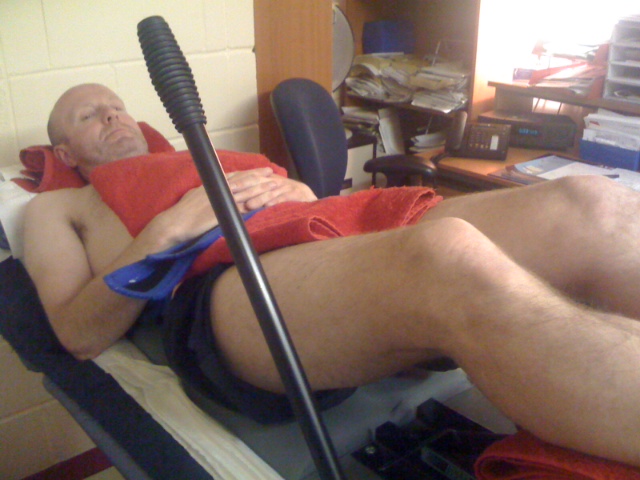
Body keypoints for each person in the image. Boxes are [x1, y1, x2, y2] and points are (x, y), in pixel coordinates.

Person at [23, 83, 640, 468]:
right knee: (447, 258)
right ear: (65, 153)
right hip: (223, 286)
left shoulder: (198, 156)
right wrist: (171, 227)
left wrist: (298, 191)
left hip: (316, 227)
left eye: (117, 106)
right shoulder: (60, 208)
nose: (113, 117)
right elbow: (77, 333)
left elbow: (301, 206)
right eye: (89, 115)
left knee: (593, 205)